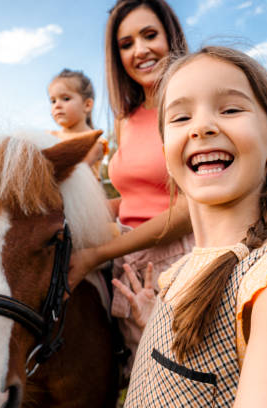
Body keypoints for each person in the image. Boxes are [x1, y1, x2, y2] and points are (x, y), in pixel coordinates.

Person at [115, 46, 267, 407]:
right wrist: (153, 326)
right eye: (180, 118)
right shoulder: (177, 273)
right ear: (166, 153)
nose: (202, 127)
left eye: (231, 109)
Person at [68, 0, 192, 379]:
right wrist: (72, 209)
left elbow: (189, 209)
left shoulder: (188, 107)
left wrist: (96, 254)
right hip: (130, 261)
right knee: (139, 374)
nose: (139, 50)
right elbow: (137, 197)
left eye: (150, 35)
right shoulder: (126, 119)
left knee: (173, 381)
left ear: (171, 37)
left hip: (174, 262)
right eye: (126, 43)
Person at [48, 68, 108, 178]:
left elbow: (75, 173)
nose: (57, 105)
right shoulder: (49, 137)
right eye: (53, 101)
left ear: (87, 105)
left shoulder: (95, 142)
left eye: (65, 99)